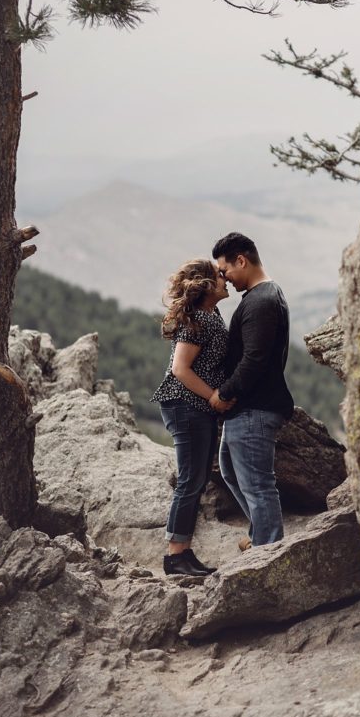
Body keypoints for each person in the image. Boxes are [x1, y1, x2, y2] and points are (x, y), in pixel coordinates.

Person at [209, 232, 294, 547]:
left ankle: (269, 551)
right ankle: (260, 535)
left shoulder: (261, 301)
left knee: (258, 486)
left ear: (241, 260)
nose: (224, 278)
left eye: (225, 270)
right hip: (248, 409)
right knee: (231, 472)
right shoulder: (261, 297)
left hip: (255, 408)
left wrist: (224, 393)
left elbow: (254, 360)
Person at [151, 258, 233, 576]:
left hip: (195, 407)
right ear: (206, 285)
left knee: (196, 480)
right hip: (185, 405)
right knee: (189, 480)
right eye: (218, 275)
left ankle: (184, 552)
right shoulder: (199, 319)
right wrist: (213, 396)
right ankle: (174, 557)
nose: (224, 278)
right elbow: (179, 369)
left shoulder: (212, 314)